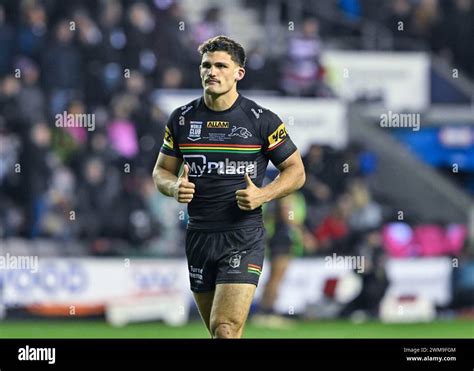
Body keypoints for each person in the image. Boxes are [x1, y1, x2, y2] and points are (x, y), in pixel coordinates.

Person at [152, 36, 305, 338]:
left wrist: (263, 194)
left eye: (221, 65)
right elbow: (162, 171)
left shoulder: (261, 121)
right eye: (206, 65)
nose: (212, 71)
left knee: (225, 330)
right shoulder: (182, 119)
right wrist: (173, 188)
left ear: (239, 73)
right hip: (199, 235)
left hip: (242, 235)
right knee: (218, 332)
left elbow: (297, 172)